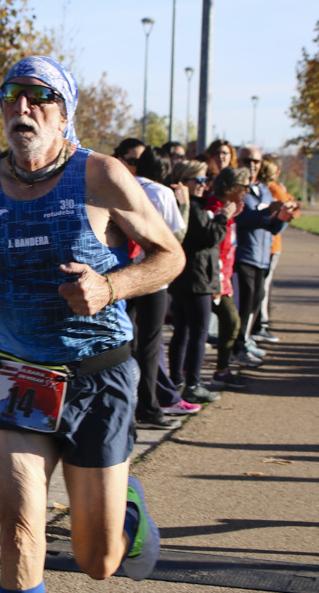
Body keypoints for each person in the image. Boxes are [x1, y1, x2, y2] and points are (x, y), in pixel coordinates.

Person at [0, 56, 184, 593]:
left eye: (39, 97)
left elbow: (171, 257)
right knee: (20, 531)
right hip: (21, 373)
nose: (23, 107)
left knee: (97, 560)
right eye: (11, 95)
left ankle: (125, 515)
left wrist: (109, 287)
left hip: (99, 376)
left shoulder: (102, 176)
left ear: (64, 114)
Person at [130, 147, 191, 429]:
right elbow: (177, 235)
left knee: (125, 339)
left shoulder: (126, 184)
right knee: (150, 344)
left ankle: (126, 401)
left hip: (126, 272)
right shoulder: (163, 193)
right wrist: (186, 206)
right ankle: (149, 408)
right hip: (154, 274)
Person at [167, 159, 235, 404]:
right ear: (184, 182)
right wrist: (222, 217)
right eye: (199, 180)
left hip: (188, 276)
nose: (203, 185)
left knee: (184, 331)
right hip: (196, 278)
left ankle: (178, 378)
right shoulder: (192, 208)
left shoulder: (189, 206)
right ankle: (192, 382)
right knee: (198, 333)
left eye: (206, 180)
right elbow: (210, 237)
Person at [231, 145, 297, 366]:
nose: (251, 165)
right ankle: (237, 347)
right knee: (244, 303)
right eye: (247, 160)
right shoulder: (238, 189)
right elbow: (240, 219)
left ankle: (246, 341)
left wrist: (283, 217)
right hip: (243, 255)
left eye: (256, 161)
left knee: (256, 302)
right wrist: (267, 212)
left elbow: (273, 226)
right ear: (238, 162)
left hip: (262, 255)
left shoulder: (264, 190)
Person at [205, 167, 251, 389]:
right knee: (230, 321)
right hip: (212, 279)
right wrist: (217, 280)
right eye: (244, 187)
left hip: (223, 277)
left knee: (229, 322)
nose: (246, 192)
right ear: (231, 188)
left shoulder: (228, 211)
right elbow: (213, 245)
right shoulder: (215, 209)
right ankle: (215, 371)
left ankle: (221, 370)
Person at [253, 157, 298, 344]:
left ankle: (259, 323)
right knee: (262, 287)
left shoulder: (269, 189)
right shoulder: (273, 189)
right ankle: (260, 324)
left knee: (262, 286)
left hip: (270, 243)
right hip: (270, 244)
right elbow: (291, 210)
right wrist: (288, 198)